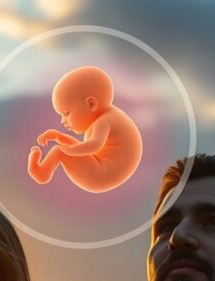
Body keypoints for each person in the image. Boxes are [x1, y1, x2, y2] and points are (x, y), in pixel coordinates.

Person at [27, 65, 143, 193]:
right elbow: (85, 147)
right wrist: (58, 136)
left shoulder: (103, 122)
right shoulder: (110, 115)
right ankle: (55, 150)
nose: (63, 121)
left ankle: (42, 173)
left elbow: (95, 145)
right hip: (103, 169)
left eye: (66, 113)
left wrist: (69, 151)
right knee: (70, 148)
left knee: (59, 151)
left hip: (101, 175)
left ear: (91, 104)